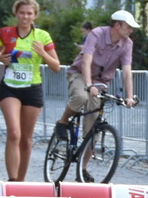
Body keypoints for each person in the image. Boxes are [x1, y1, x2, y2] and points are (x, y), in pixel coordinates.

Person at [0, 0, 62, 180]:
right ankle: (12, 180)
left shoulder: (42, 36)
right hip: (10, 87)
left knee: (26, 140)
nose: (25, 16)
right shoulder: (5, 33)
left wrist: (43, 53)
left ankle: (20, 182)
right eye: (22, 12)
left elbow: (56, 66)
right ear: (16, 13)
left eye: (29, 13)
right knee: (14, 133)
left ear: (35, 15)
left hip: (32, 88)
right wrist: (0, 58)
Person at [58, 9, 138, 139]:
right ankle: (62, 122)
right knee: (81, 97)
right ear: (118, 25)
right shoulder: (97, 34)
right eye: (128, 27)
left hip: (100, 82)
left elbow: (127, 71)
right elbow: (86, 61)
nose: (131, 31)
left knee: (92, 131)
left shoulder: (128, 44)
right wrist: (89, 85)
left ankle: (85, 159)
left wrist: (129, 97)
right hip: (80, 74)